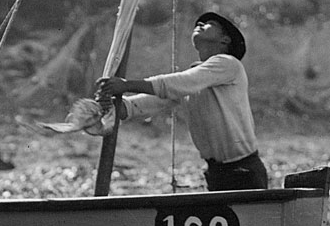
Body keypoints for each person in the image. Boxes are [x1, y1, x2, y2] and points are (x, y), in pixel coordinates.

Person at [96, 11, 268, 192]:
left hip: (243, 170)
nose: (199, 25)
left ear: (225, 40)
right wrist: (113, 106)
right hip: (217, 173)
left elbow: (179, 82)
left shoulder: (228, 64)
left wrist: (126, 85)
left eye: (209, 24)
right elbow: (143, 105)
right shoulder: (194, 80)